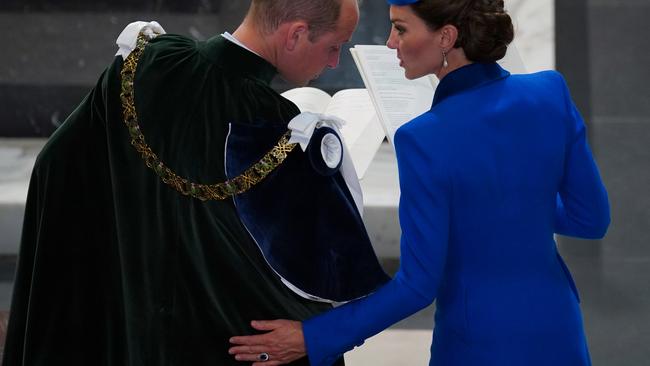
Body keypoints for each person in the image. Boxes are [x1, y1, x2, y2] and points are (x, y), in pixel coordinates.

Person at [2, 0, 391, 365]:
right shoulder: (277, 131)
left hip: (130, 328)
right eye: (334, 47)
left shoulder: (147, 62)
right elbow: (320, 280)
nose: (335, 61)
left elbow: (57, 164)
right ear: (294, 34)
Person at [228, 0, 611, 365]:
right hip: (558, 328)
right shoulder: (550, 91)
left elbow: (416, 286)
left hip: (477, 345)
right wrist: (520, 205)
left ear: (445, 37)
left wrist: (311, 338)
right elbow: (590, 219)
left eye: (400, 29)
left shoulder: (423, 138)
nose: (390, 43)